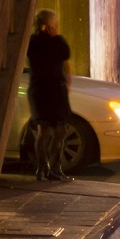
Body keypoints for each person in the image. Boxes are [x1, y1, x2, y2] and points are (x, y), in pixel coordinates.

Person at [26, 10, 72, 181]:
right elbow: (65, 54)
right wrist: (56, 36)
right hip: (53, 91)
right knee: (59, 130)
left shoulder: (32, 40)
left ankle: (42, 169)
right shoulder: (52, 41)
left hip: (39, 91)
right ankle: (53, 168)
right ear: (49, 24)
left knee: (43, 131)